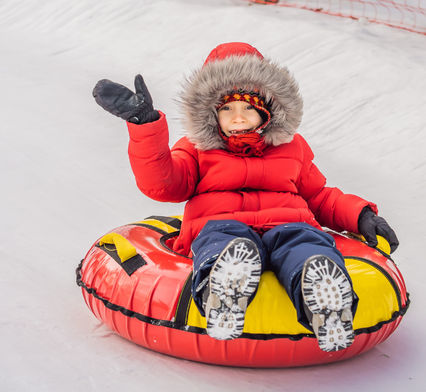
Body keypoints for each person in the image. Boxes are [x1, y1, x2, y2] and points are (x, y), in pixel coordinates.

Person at [92, 42, 398, 352]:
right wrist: (146, 126)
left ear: (267, 107)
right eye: (227, 108)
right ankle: (224, 290)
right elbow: (163, 183)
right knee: (226, 240)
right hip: (222, 224)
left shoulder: (291, 147)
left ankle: (323, 298)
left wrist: (360, 215)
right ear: (211, 112)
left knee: (305, 243)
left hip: (287, 224)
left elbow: (318, 195)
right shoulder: (197, 148)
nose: (238, 117)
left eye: (248, 107)